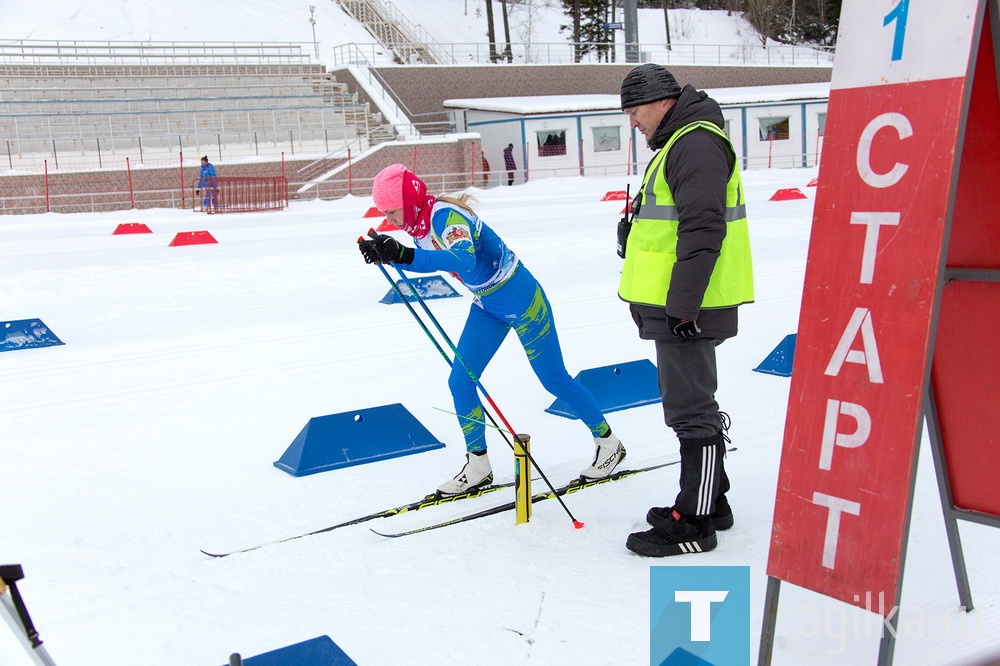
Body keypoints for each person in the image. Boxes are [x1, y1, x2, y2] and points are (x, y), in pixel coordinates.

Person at [358, 163, 626, 496]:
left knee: (554, 379)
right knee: (460, 380)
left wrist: (405, 255)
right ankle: (478, 464)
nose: (392, 221)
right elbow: (427, 260)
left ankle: (608, 443)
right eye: (386, 214)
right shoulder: (419, 225)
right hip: (488, 303)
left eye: (393, 211)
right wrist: (389, 255)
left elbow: (463, 260)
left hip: (522, 298)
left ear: (409, 200)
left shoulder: (445, 217)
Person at [616, 64, 753, 557]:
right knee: (689, 401)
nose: (633, 122)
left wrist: (682, 305)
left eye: (634, 111)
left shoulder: (694, 143)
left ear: (659, 102)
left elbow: (702, 229)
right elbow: (674, 222)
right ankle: (711, 500)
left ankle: (695, 521)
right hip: (680, 302)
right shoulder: (682, 142)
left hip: (687, 306)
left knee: (690, 409)